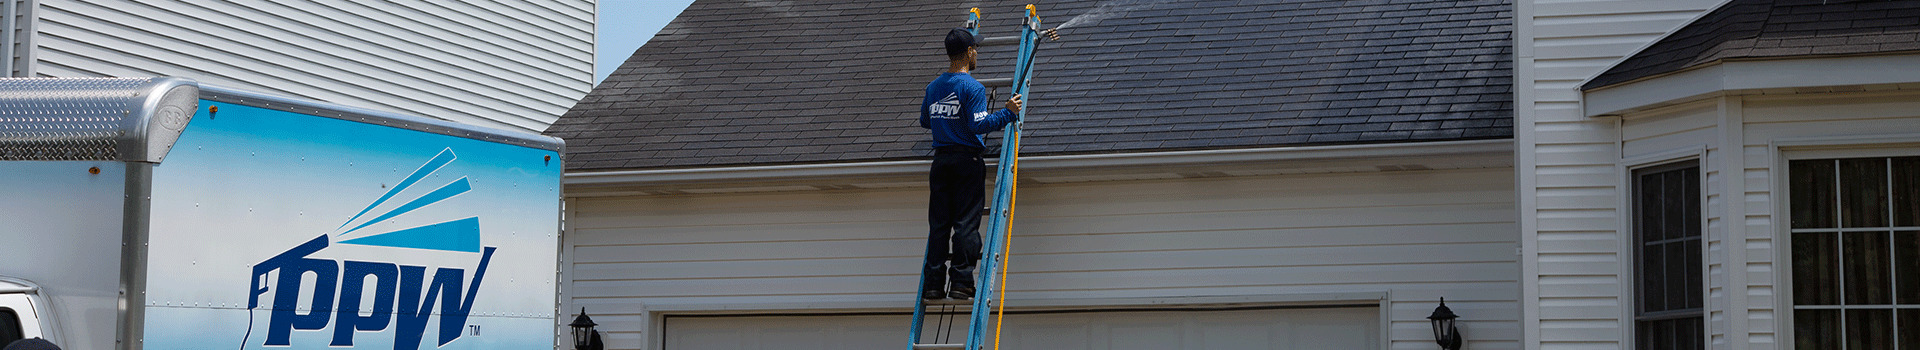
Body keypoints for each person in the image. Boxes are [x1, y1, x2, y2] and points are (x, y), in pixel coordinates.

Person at [918, 27, 1022, 300]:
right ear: (968, 53)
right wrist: (1008, 113)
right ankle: (962, 282)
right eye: (976, 49)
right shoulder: (971, 87)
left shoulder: (933, 87)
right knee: (966, 223)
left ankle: (933, 285)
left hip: (940, 163)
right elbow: (979, 123)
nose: (977, 54)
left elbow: (926, 121)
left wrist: (947, 121)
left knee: (939, 225)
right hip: (966, 161)